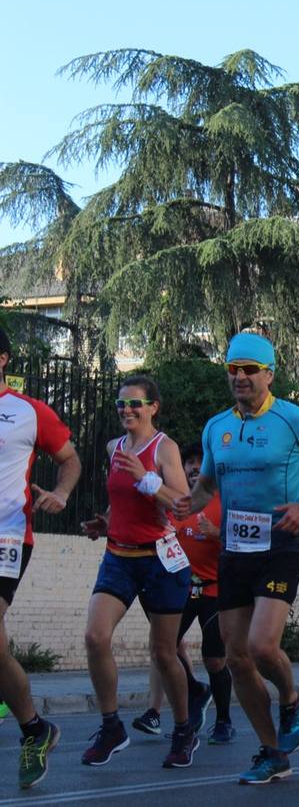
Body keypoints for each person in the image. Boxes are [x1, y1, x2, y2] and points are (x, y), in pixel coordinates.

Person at [174, 332, 299, 784]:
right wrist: (181, 504)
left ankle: (292, 698)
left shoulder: (294, 419)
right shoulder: (217, 427)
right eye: (233, 369)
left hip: (281, 543)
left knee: (260, 645)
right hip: (235, 548)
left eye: (249, 369)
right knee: (236, 659)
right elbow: (206, 489)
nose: (239, 377)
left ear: (269, 373)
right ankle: (272, 751)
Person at [80, 376, 201, 769]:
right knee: (96, 637)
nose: (126, 411)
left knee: (164, 653)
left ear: (153, 407)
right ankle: (111, 726)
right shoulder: (114, 448)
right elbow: (122, 499)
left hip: (160, 560)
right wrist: (106, 521)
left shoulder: (164, 448)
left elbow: (183, 504)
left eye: (135, 404)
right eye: (121, 404)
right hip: (118, 556)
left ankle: (183, 730)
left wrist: (146, 479)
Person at [0, 330, 81, 790]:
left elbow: (70, 459)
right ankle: (34, 728)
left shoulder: (28, 411)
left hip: (8, 535)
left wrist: (63, 493)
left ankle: (32, 727)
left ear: (3, 358)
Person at [136, 444, 235, 745]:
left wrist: (217, 533)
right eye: (189, 462)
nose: (193, 468)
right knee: (163, 646)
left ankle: (223, 720)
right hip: (180, 588)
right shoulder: (176, 502)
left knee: (215, 659)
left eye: (199, 463)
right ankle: (182, 697)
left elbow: (244, 544)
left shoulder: (225, 502)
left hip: (214, 591)